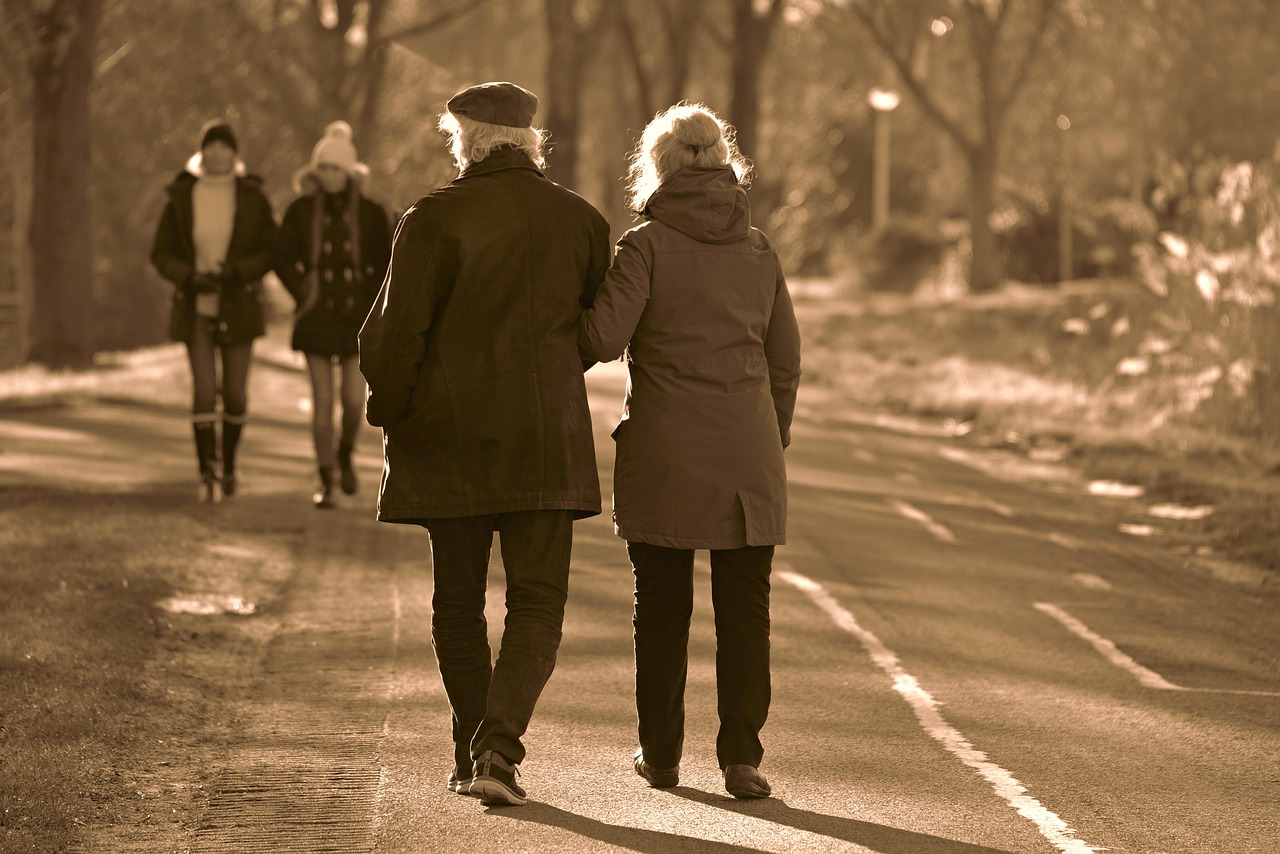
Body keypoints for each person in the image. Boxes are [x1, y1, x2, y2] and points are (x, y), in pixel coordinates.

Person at [359, 82, 610, 806]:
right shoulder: (581, 222)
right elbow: (597, 325)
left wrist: (393, 411)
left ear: (464, 139)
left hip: (452, 438)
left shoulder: (431, 220)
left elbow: (391, 335)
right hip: (546, 438)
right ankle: (496, 749)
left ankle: (477, 751)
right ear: (529, 143)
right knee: (537, 603)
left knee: (457, 604)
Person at [578, 103, 801, 800]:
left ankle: (662, 755)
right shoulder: (760, 249)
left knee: (662, 607)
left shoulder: (645, 246)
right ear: (722, 161)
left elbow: (599, 339)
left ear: (661, 168)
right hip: (747, 453)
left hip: (667, 449)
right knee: (745, 611)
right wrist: (771, 432)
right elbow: (785, 359)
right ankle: (741, 759)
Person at [151, 119, 277, 503]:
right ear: (201, 152)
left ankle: (229, 467)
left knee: (235, 395)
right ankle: (206, 469)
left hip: (238, 303)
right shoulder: (181, 195)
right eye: (211, 146)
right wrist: (188, 277)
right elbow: (161, 253)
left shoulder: (253, 196)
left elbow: (270, 250)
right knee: (205, 390)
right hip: (196, 304)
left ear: (234, 153)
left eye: (224, 146)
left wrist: (238, 273)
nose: (217, 152)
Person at [275, 121, 392, 507]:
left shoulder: (373, 214)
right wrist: (301, 289)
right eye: (322, 169)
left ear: (349, 172)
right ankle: (325, 478)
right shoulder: (301, 211)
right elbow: (282, 257)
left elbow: (387, 263)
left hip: (356, 319)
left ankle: (345, 454)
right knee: (322, 400)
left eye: (335, 169)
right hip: (316, 317)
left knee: (353, 401)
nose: (328, 176)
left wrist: (374, 301)